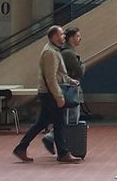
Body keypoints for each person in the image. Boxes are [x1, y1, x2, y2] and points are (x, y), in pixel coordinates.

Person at [13, 26, 79, 164]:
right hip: (50, 93)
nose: (64, 37)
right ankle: (63, 153)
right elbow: (50, 77)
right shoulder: (49, 52)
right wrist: (59, 96)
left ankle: (21, 147)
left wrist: (70, 81)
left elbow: (59, 73)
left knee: (42, 122)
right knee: (59, 122)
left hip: (49, 92)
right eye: (61, 34)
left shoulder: (54, 50)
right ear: (54, 37)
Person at [42, 26, 87, 156]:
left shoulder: (64, 52)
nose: (80, 38)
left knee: (61, 117)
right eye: (78, 36)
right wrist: (82, 65)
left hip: (67, 86)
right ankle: (54, 139)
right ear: (71, 38)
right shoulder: (67, 53)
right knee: (70, 117)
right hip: (68, 88)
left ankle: (60, 145)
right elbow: (79, 71)